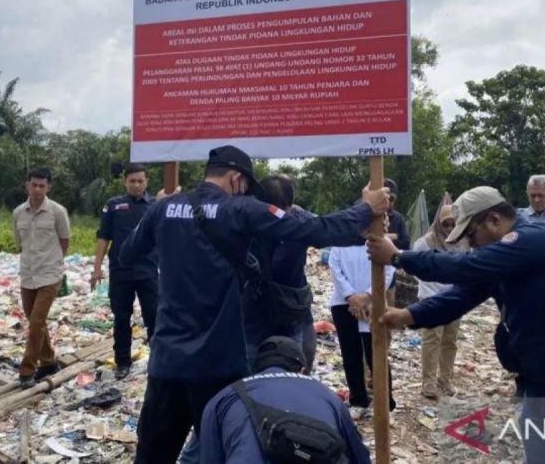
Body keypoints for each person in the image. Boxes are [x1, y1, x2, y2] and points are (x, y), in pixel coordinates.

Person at [119, 145, 390, 464]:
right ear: (236, 179)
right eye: (246, 187)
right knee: (219, 453)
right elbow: (314, 230)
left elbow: (127, 255)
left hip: (167, 362)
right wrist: (364, 208)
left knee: (152, 455)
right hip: (217, 365)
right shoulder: (240, 210)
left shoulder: (162, 208)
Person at [368, 186, 545, 463]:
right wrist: (408, 316)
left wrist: (398, 257)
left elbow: (465, 266)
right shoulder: (504, 262)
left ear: (494, 220)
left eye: (471, 234)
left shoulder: (535, 240)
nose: (471, 244)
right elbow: (461, 296)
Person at [200, 336, 371, 464]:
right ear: (303, 371)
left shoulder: (224, 398)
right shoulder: (328, 396)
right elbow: (360, 458)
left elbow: (210, 458)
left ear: (255, 371)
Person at [91, 163, 158, 380]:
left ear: (147, 182)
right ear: (125, 182)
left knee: (154, 317)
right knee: (121, 318)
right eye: (132, 181)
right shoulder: (113, 206)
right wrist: (97, 268)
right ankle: (122, 362)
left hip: (148, 271)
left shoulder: (156, 206)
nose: (137, 185)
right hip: (121, 272)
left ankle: (158, 360)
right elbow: (103, 237)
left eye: (140, 181)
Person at [244, 175, 317, 372]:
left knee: (299, 367)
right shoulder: (244, 221)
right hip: (257, 312)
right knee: (251, 374)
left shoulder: (301, 221)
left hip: (291, 311)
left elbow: (328, 230)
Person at [12, 168, 70, 389]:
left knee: (36, 323)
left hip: (49, 274)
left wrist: (55, 263)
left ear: (48, 187)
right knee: (35, 321)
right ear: (27, 185)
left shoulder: (57, 212)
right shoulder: (18, 213)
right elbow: (20, 242)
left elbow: (64, 240)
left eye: (42, 186)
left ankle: (27, 370)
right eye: (34, 185)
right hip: (28, 274)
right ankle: (48, 361)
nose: (37, 189)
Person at [329, 232, 396, 420]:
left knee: (377, 353)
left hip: (373, 302)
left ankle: (386, 403)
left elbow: (389, 270)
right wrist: (351, 297)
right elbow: (335, 269)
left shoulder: (382, 242)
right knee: (351, 354)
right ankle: (358, 400)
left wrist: (367, 295)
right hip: (344, 303)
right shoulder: (340, 241)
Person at [412, 197, 469, 398]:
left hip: (454, 298)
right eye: (446, 223)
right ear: (439, 222)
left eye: (453, 224)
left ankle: (445, 379)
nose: (449, 227)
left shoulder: (462, 242)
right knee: (431, 340)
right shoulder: (425, 243)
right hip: (430, 297)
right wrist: (428, 286)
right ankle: (428, 383)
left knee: (450, 340)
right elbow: (415, 265)